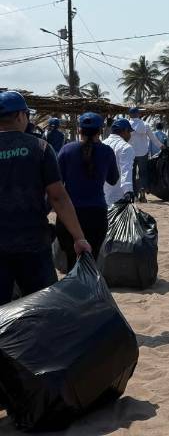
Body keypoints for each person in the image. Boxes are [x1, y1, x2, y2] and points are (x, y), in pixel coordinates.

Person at [0, 91, 91, 305]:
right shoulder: (40, 148)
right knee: (42, 306)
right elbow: (58, 197)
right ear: (21, 116)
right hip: (33, 243)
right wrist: (79, 238)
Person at [56, 112, 120, 271]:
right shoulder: (107, 152)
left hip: (69, 214)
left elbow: (57, 182)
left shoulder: (66, 150)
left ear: (79, 130)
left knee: (71, 259)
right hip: (96, 213)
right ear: (100, 131)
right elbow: (113, 179)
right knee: (91, 259)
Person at [128, 107, 164, 202]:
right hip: (143, 153)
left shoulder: (127, 124)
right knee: (143, 173)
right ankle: (142, 194)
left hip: (130, 153)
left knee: (131, 174)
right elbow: (153, 138)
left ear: (130, 115)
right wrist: (161, 146)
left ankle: (134, 195)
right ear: (138, 114)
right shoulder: (145, 125)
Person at [103, 118, 137, 206]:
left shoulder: (102, 144)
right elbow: (126, 170)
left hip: (100, 197)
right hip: (118, 197)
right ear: (125, 131)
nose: (130, 135)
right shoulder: (126, 147)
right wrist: (128, 191)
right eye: (129, 132)